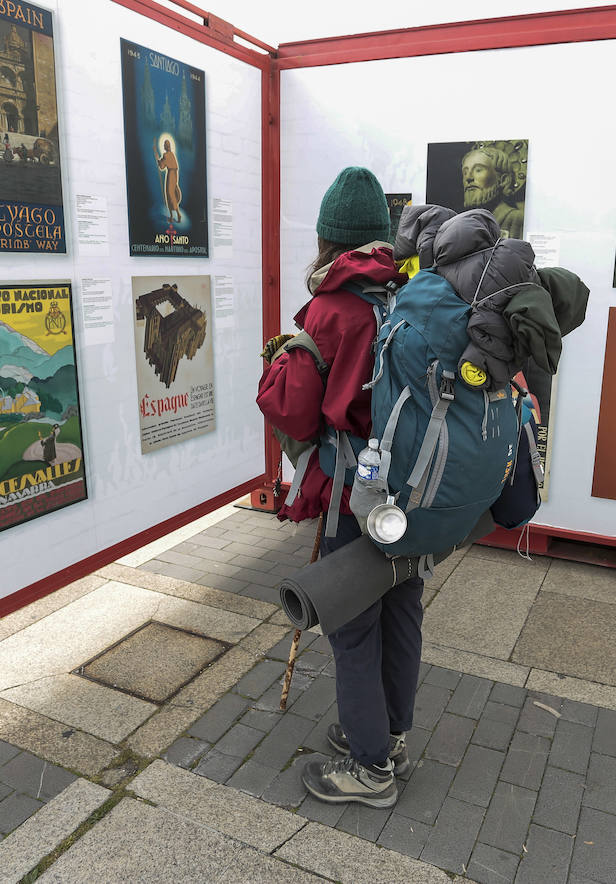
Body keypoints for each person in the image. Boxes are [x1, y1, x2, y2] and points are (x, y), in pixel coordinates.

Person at [256, 167, 412, 808]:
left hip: (355, 488)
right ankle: (389, 734)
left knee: (351, 621)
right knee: (401, 607)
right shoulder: (410, 294)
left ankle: (370, 767)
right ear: (380, 239)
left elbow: (293, 411)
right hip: (409, 487)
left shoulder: (330, 308)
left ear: (327, 239)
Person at [461, 144, 523, 238]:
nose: (468, 178)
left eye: (478, 170)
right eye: (465, 172)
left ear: (503, 180)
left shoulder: (516, 218)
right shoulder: (466, 222)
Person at [157, 137, 182, 223]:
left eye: (165, 145)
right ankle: (172, 216)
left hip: (171, 175)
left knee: (170, 194)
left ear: (166, 146)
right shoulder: (171, 154)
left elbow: (162, 167)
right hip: (175, 174)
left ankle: (178, 214)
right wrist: (160, 160)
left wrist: (158, 159)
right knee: (170, 194)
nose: (164, 146)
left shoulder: (166, 155)